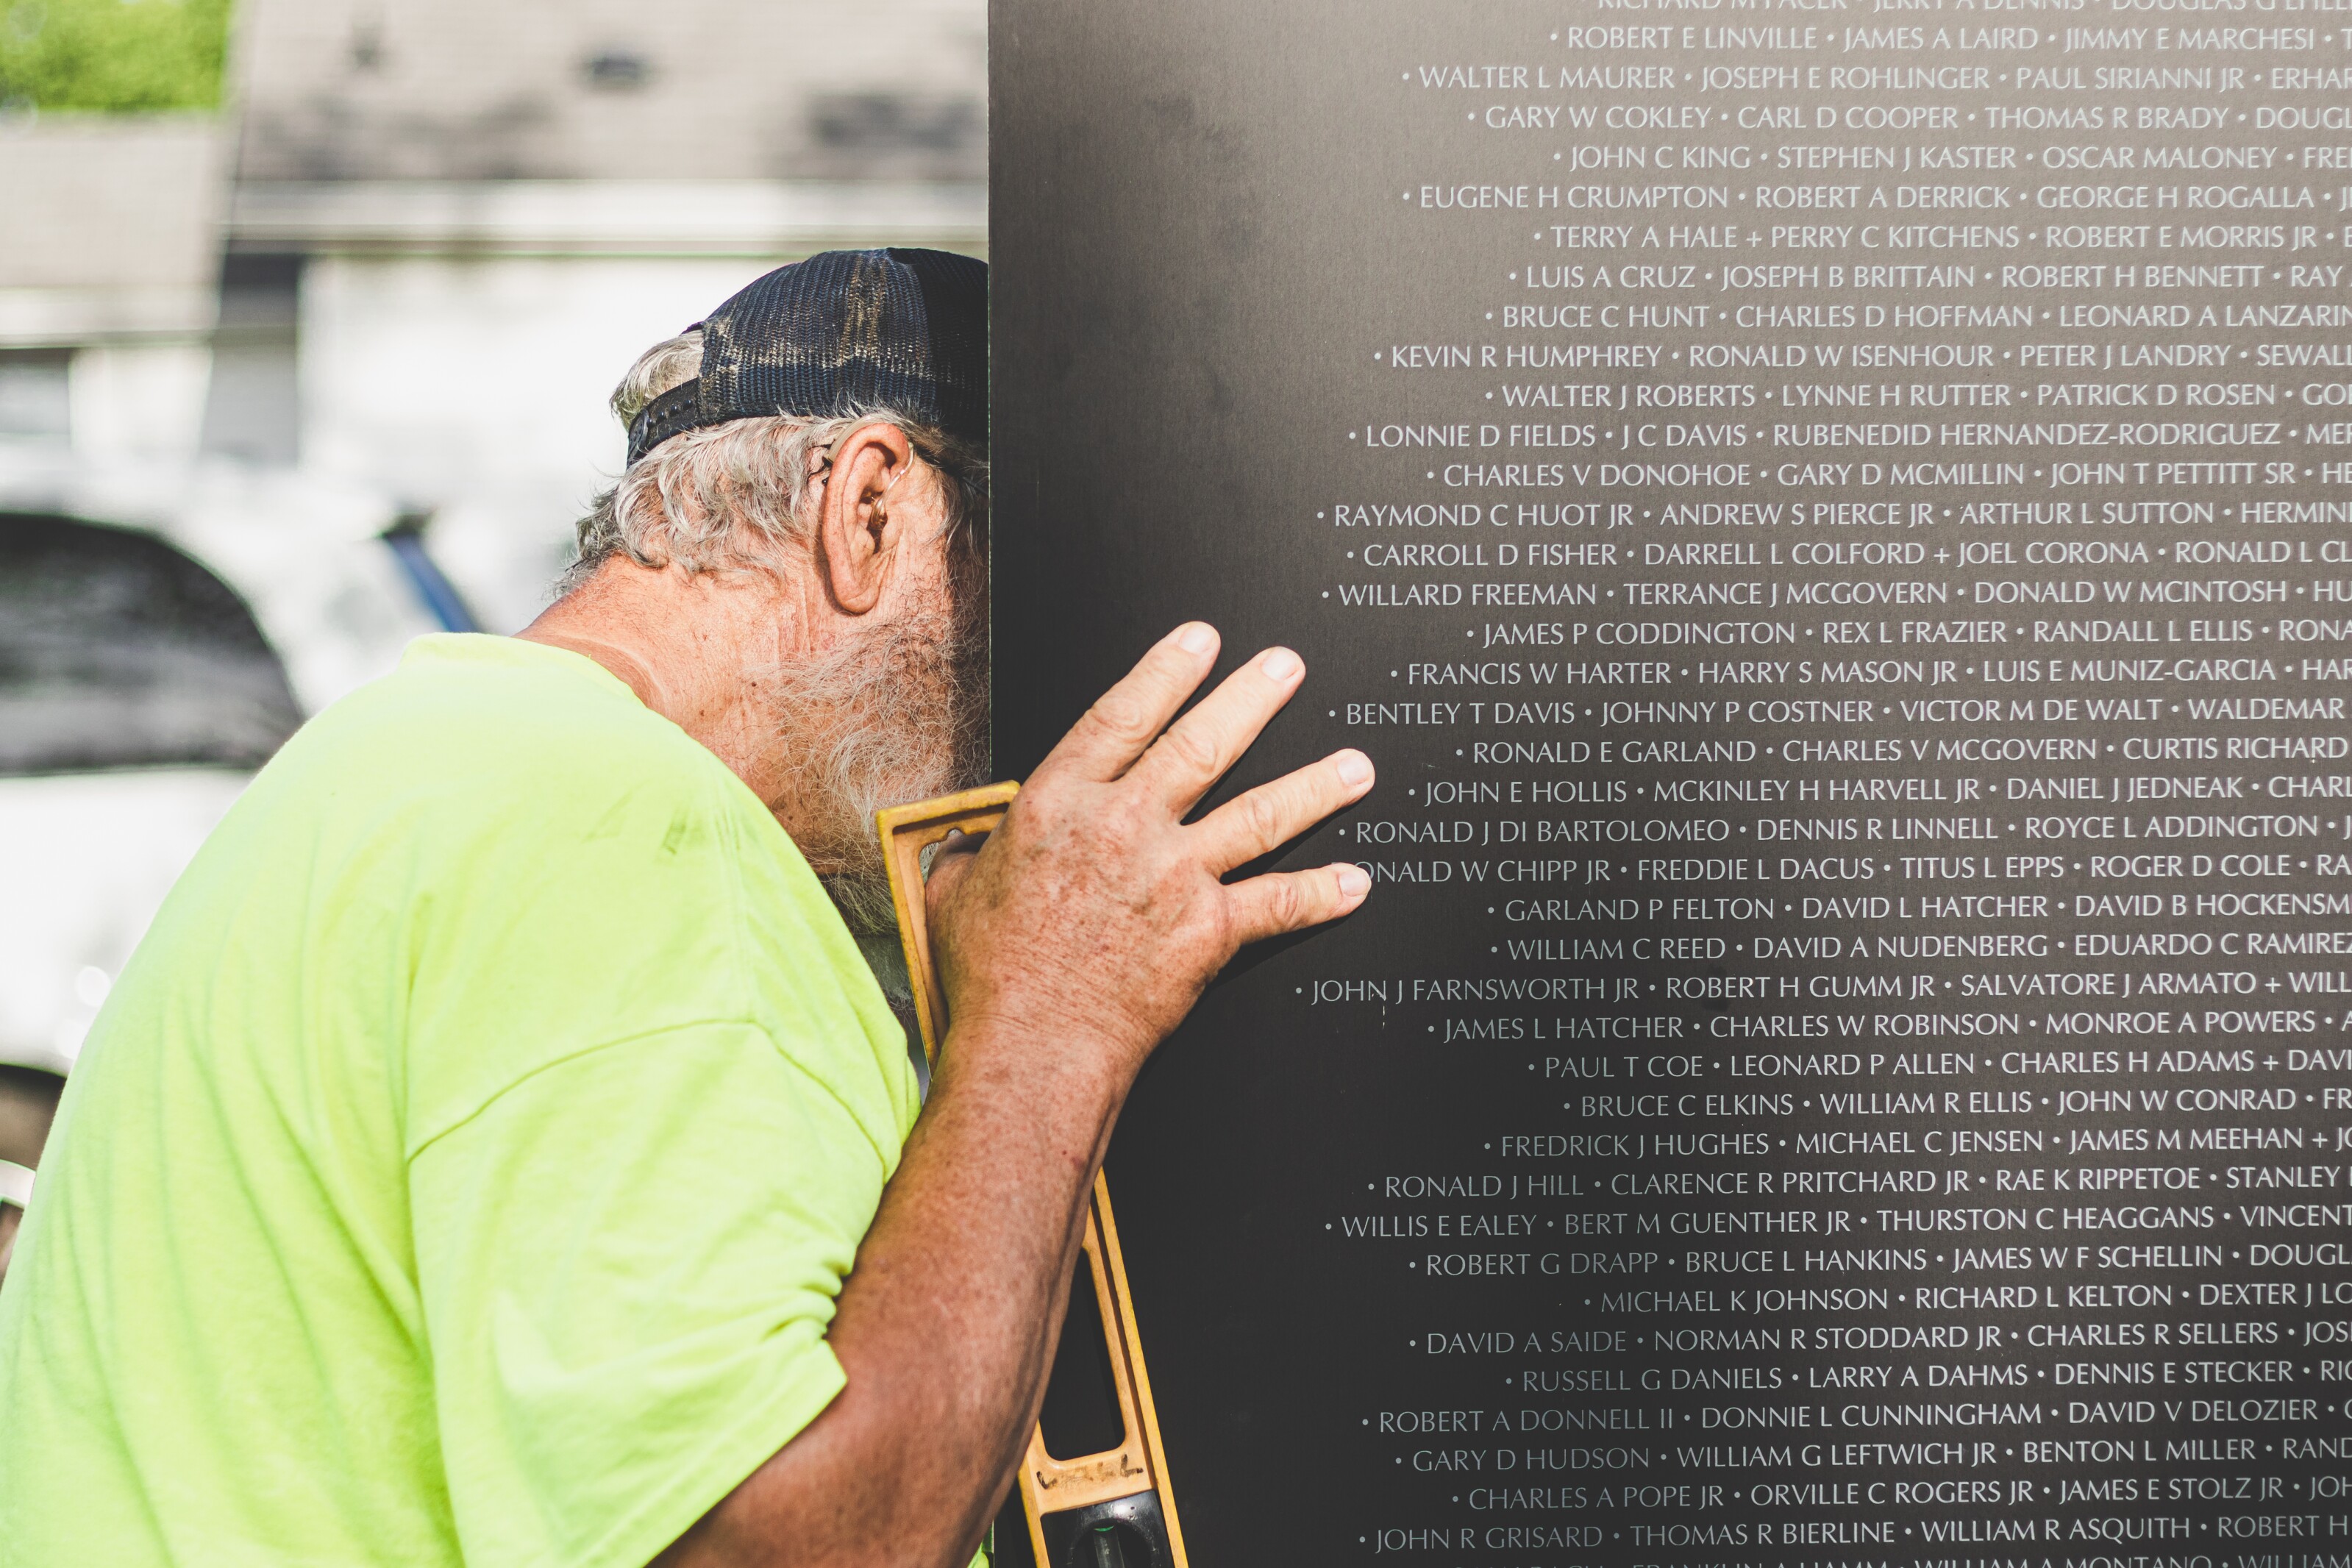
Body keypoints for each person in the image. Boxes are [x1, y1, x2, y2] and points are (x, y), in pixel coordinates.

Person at [0, 249, 1374, 1568]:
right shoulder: (620, 830)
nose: (1040, 720)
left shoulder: (414, 759)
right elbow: (783, 1548)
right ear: (872, 510)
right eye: (1040, 599)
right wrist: (1053, 1020)